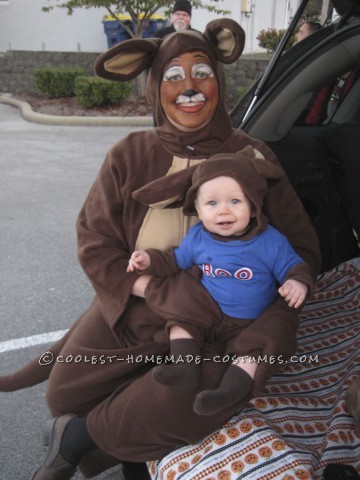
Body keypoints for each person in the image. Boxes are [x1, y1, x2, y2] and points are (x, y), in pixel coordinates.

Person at [0, 19, 321, 480]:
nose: (189, 88)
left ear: (219, 79)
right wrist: (149, 286)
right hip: (140, 306)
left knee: (194, 393)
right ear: (155, 87)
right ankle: (116, 432)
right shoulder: (129, 153)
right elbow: (95, 241)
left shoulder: (254, 158)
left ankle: (79, 440)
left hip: (226, 322)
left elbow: (302, 246)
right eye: (173, 77)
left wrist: (282, 285)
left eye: (202, 72)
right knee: (64, 395)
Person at [127, 151, 314, 416]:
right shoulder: (198, 238)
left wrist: (297, 282)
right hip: (210, 311)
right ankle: (185, 368)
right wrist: (149, 260)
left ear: (253, 205)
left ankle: (228, 392)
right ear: (198, 210)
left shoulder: (269, 241)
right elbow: (175, 261)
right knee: (181, 317)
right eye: (212, 203)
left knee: (265, 341)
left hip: (252, 320)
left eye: (235, 201)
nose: (223, 210)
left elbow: (293, 265)